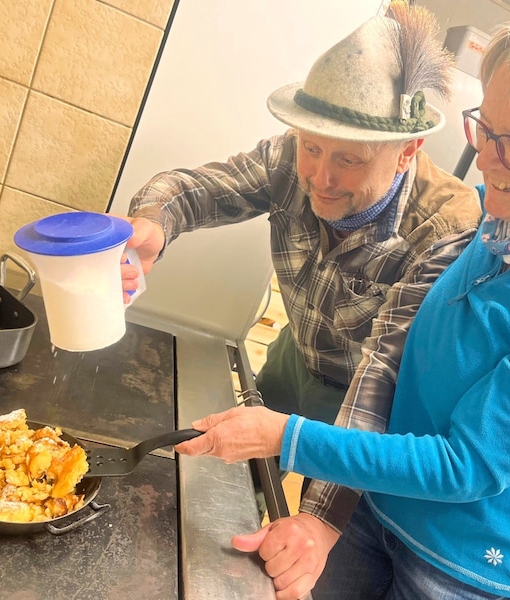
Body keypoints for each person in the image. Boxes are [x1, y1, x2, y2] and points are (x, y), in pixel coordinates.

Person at [174, 5, 510, 600]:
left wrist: (288, 438)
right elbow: (386, 361)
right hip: (373, 508)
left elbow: (469, 465)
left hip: (460, 562)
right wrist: (326, 513)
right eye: (483, 129)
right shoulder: (492, 219)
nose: (485, 161)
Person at [123, 4, 480, 504]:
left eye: (348, 160)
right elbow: (199, 189)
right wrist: (153, 224)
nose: (321, 178)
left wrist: (316, 522)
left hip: (363, 396)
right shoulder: (292, 160)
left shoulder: (442, 229)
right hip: (296, 354)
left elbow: (383, 379)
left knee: (320, 513)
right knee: (233, 486)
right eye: (311, 148)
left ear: (408, 150)